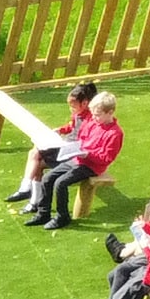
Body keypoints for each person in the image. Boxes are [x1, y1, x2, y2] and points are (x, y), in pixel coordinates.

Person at [29, 91, 123, 229]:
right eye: (94, 114)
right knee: (48, 178)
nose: (94, 118)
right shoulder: (91, 122)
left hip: (92, 166)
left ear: (110, 112)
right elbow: (81, 137)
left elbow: (106, 158)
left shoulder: (115, 133)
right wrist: (72, 147)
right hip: (78, 158)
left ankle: (63, 217)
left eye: (98, 115)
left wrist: (87, 154)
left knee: (60, 183)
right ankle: (43, 213)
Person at [6, 80, 97, 204]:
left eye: (73, 106)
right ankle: (28, 191)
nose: (71, 109)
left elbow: (87, 141)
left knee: (37, 160)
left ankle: (32, 198)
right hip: (64, 145)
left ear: (85, 103)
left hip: (72, 153)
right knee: (35, 152)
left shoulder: (92, 119)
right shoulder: (77, 114)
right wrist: (60, 130)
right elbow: (72, 126)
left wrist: (71, 145)